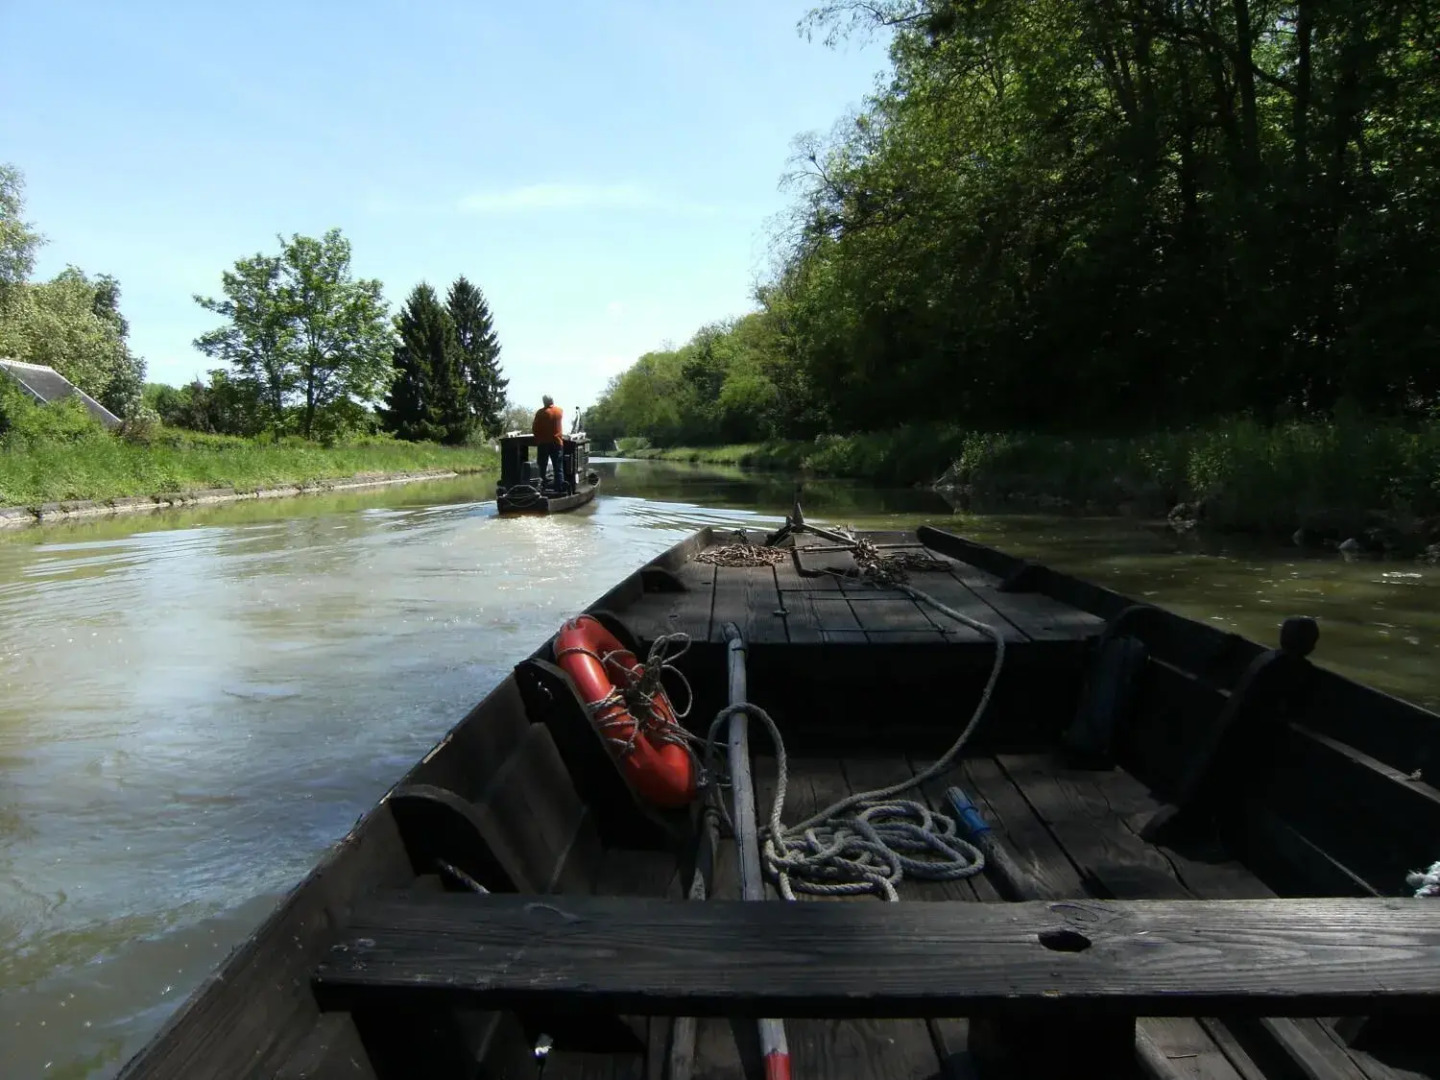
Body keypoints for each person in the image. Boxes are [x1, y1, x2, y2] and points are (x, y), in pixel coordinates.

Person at [531, 395, 565, 489]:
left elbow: (535, 428)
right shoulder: (560, 411)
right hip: (557, 442)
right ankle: (560, 488)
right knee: (558, 467)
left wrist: (538, 438)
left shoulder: (540, 413)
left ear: (544, 402)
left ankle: (541, 487)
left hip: (543, 443)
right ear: (552, 400)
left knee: (541, 466)